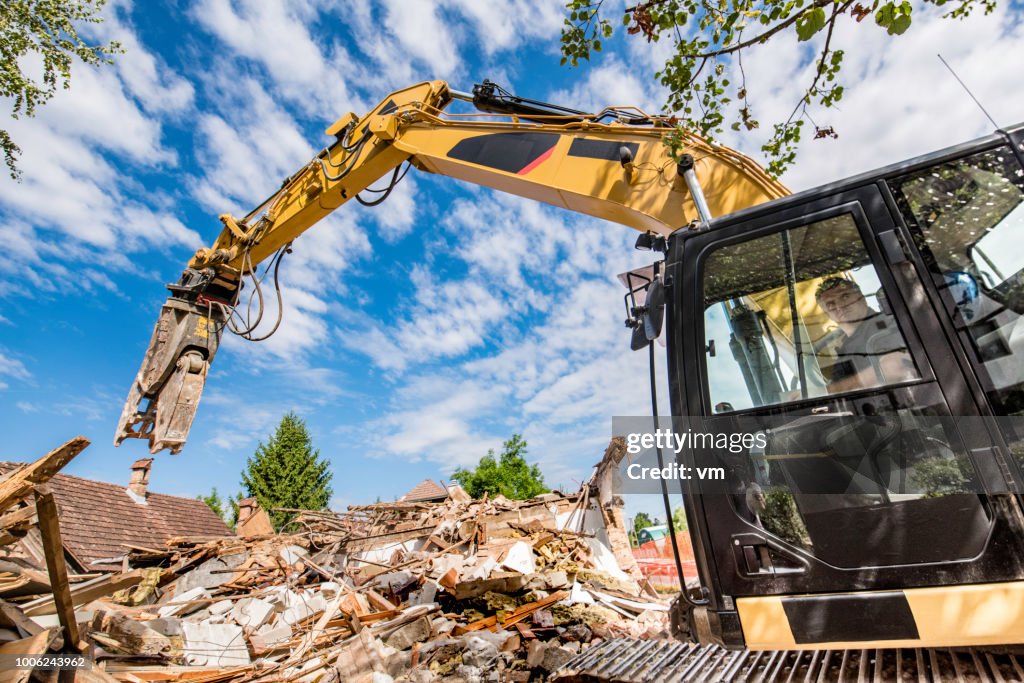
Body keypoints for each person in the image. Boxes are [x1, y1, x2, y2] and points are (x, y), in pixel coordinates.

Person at [815, 277, 917, 393]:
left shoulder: (887, 324)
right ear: (827, 314)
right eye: (830, 304)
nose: (839, 306)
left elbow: (895, 366)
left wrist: (830, 390)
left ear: (861, 298)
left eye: (845, 296)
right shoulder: (845, 350)